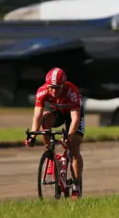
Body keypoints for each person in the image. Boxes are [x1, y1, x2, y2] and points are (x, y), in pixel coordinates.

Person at [25, 67, 84, 198]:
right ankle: (50, 154)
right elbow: (37, 117)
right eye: (51, 87)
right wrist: (33, 136)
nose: (53, 91)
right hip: (57, 112)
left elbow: (75, 119)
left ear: (63, 85)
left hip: (72, 115)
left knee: (74, 148)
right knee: (44, 121)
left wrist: (69, 136)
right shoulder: (42, 91)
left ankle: (76, 187)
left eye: (57, 88)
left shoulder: (72, 92)